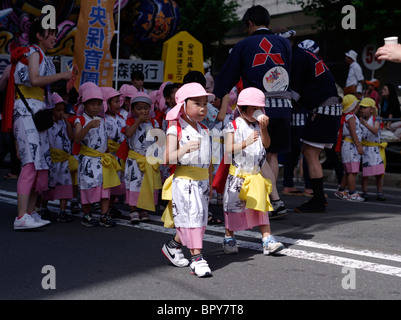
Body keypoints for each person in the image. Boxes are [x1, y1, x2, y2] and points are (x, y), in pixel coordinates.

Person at [213, 5, 292, 219]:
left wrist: (217, 94)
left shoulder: (244, 44)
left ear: (249, 23)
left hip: (257, 108)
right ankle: (274, 200)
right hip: (283, 105)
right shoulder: (284, 43)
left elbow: (228, 73)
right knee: (272, 154)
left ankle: (270, 200)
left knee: (257, 154)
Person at [9, 17, 73, 230]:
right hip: (28, 112)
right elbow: (35, 80)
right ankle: (21, 216)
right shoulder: (33, 52)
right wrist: (62, 75)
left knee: (40, 163)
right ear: (39, 35)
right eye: (52, 33)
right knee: (30, 163)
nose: (55, 37)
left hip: (35, 112)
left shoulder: (36, 54)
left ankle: (30, 211)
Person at [220, 87, 284, 255]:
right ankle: (229, 237)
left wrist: (263, 129)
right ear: (241, 108)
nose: (257, 112)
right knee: (232, 207)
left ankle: (267, 238)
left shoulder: (257, 126)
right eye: (253, 109)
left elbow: (267, 144)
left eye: (259, 109)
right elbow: (228, 148)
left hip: (255, 175)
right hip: (238, 176)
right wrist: (246, 142)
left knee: (261, 207)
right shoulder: (232, 125)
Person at [161, 83, 214, 278]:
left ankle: (172, 246)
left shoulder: (205, 129)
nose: (202, 108)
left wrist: (210, 182)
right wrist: (183, 150)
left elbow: (208, 160)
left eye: (205, 103)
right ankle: (197, 259)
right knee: (191, 219)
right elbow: (167, 158)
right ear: (183, 105)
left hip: (202, 182)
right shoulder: (175, 127)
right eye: (197, 103)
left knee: (196, 220)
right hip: (184, 181)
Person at [289, 39, 342, 212]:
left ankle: (318, 199)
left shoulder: (298, 57)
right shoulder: (312, 58)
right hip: (328, 107)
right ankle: (318, 198)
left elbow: (294, 90)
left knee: (311, 152)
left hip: (324, 108)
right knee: (309, 151)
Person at [74, 82, 121, 227]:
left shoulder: (103, 119)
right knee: (87, 188)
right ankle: (87, 215)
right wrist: (87, 126)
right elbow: (76, 139)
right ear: (84, 105)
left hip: (102, 160)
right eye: (92, 104)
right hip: (88, 160)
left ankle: (104, 215)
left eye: (98, 104)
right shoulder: (80, 119)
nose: (96, 107)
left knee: (105, 188)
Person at [119, 91, 162, 224]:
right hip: (135, 160)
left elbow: (159, 140)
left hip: (148, 158)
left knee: (146, 184)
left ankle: (143, 209)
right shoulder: (130, 121)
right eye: (139, 109)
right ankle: (133, 210)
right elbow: (128, 134)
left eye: (145, 108)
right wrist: (138, 121)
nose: (143, 111)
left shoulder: (154, 122)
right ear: (133, 110)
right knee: (134, 184)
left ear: (150, 108)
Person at [41, 93, 75, 222]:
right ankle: (43, 207)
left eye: (63, 110)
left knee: (65, 184)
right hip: (52, 159)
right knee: (49, 184)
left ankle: (62, 210)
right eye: (58, 110)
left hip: (64, 159)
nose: (62, 113)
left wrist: (68, 123)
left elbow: (71, 138)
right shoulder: (47, 124)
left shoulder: (63, 124)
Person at [335, 95, 365, 202]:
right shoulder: (351, 116)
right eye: (357, 103)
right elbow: (353, 132)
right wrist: (359, 146)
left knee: (349, 171)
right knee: (353, 171)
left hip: (349, 145)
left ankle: (341, 190)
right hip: (351, 146)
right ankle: (351, 193)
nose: (358, 106)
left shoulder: (348, 116)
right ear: (353, 105)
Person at [102, 87, 125, 217]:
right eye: (115, 101)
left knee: (117, 182)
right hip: (110, 154)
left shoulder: (120, 118)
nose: (118, 104)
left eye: (118, 101)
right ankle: (105, 207)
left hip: (119, 154)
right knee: (109, 181)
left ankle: (111, 206)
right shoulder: (104, 119)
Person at [359, 98, 386, 201]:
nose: (362, 109)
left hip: (375, 149)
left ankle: (379, 192)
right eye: (361, 107)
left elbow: (375, 130)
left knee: (379, 173)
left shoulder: (376, 119)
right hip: (365, 148)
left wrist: (364, 123)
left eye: (364, 107)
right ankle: (364, 191)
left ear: (371, 109)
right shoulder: (360, 118)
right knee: (365, 173)